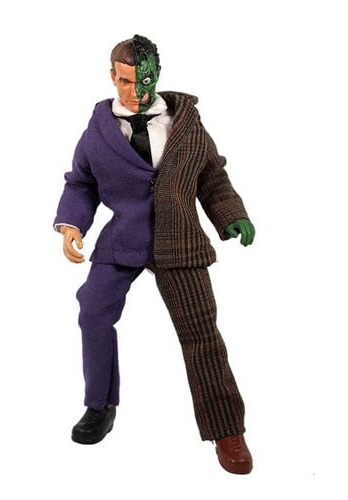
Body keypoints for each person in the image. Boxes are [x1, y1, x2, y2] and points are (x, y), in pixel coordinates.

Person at [53, 35, 256, 474]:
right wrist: (71, 224)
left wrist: (231, 216)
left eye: (144, 81)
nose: (135, 92)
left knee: (200, 332)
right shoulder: (100, 130)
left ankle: (227, 430)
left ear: (157, 75)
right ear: (113, 77)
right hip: (123, 238)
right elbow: (82, 181)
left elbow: (212, 176)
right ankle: (100, 405)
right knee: (93, 311)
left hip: (179, 239)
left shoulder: (185, 123)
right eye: (125, 82)